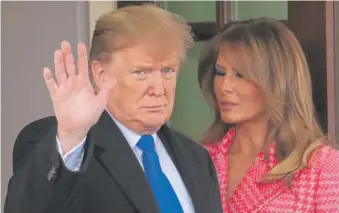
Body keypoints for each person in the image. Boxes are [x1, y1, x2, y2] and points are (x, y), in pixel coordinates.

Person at [4, 5, 223, 213]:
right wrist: (71, 136)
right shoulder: (63, 144)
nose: (158, 89)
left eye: (167, 70)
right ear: (100, 75)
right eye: (141, 72)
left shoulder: (196, 159)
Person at [198, 17, 339, 213]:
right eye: (220, 73)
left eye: (240, 75)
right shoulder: (199, 159)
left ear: (277, 82)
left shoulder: (322, 167)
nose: (224, 86)